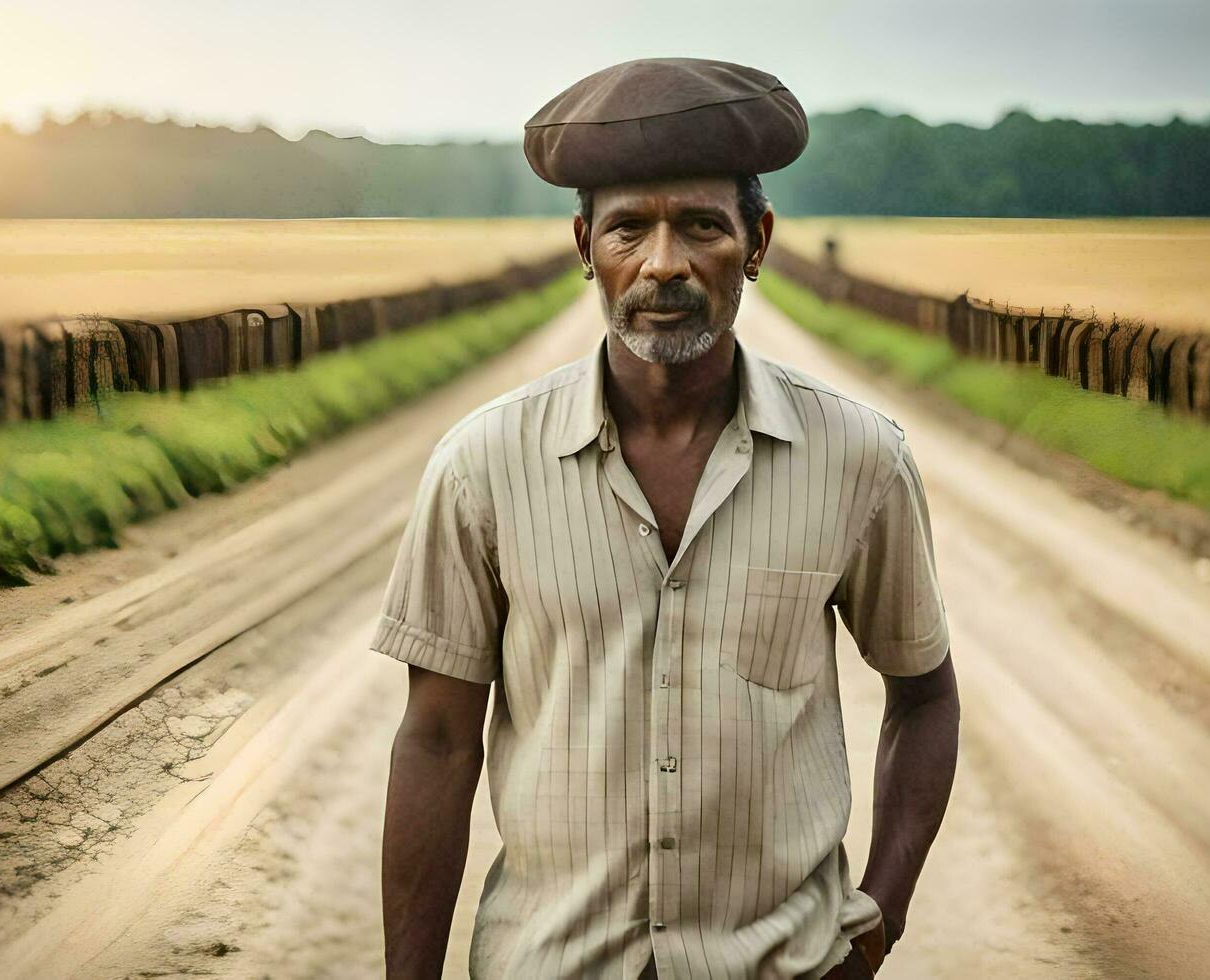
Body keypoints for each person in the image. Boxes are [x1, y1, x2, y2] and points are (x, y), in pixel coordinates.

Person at [372, 57, 960, 980]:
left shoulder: (859, 459)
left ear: (757, 241)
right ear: (584, 245)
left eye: (700, 226)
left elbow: (924, 699)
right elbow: (438, 741)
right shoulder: (482, 465)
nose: (664, 264)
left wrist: (877, 924)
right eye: (627, 230)